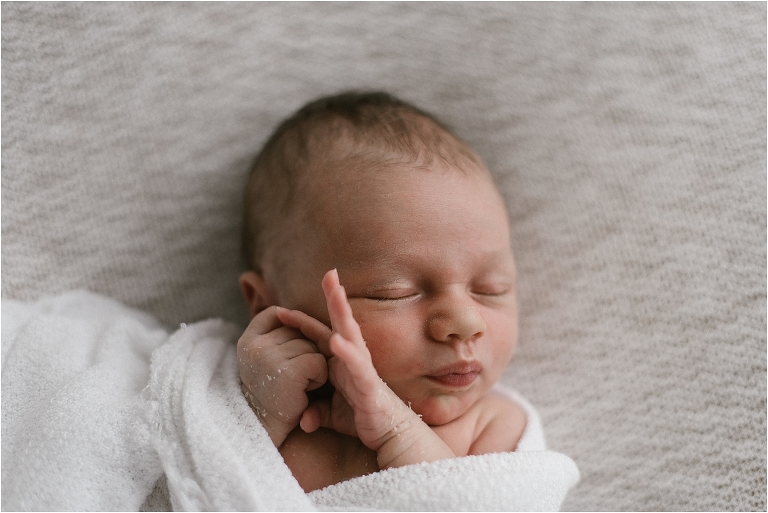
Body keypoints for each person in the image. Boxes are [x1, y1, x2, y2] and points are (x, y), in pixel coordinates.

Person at [237, 91, 527, 493]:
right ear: (267, 304)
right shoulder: (237, 399)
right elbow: (190, 485)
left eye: (491, 290)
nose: (465, 322)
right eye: (394, 292)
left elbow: (474, 504)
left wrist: (398, 433)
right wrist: (259, 414)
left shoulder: (493, 427)